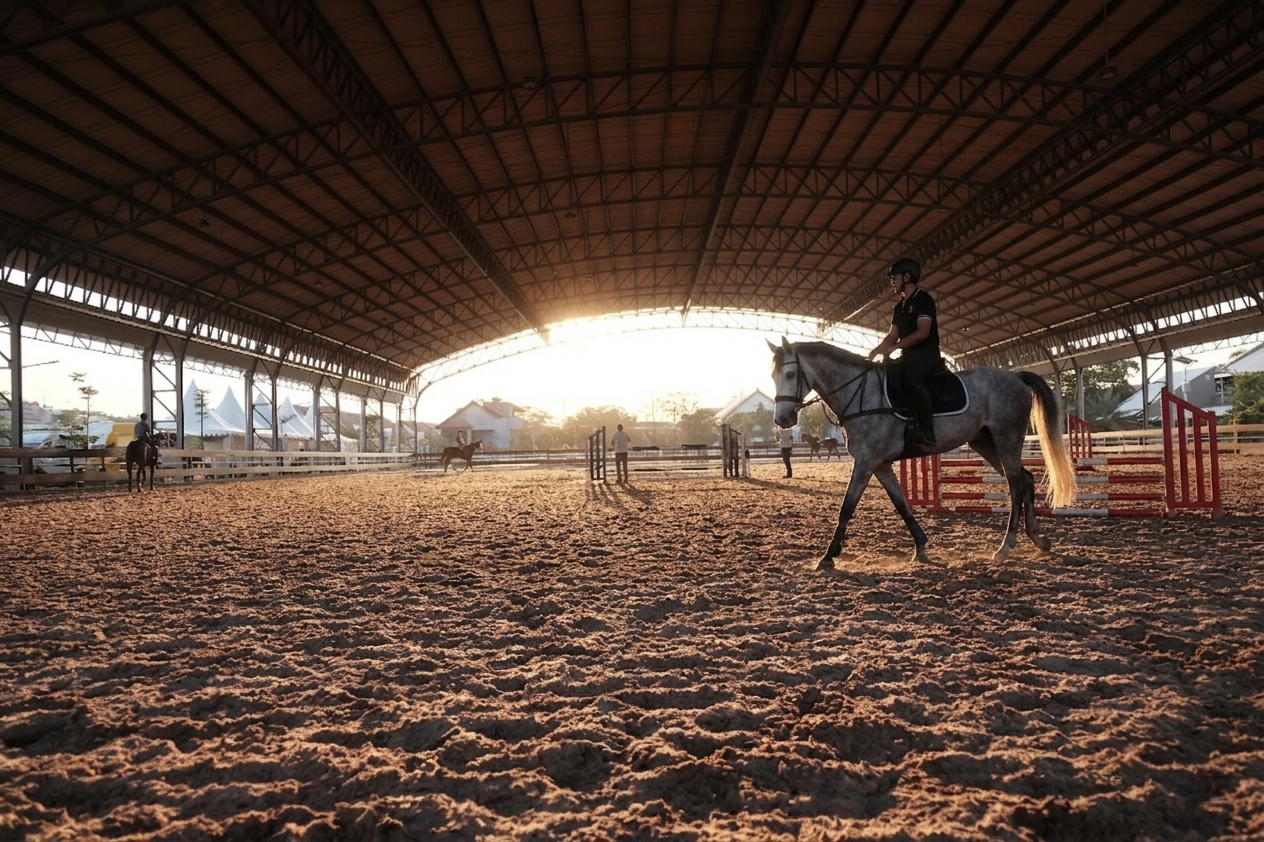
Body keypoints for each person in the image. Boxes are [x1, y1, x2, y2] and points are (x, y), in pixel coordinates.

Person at [867, 257, 944, 447]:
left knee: (911, 380)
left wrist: (896, 347)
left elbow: (923, 332)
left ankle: (927, 430)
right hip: (909, 355)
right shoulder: (898, 307)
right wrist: (877, 350)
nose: (892, 281)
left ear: (907, 277)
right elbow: (893, 335)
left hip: (927, 353)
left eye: (895, 277)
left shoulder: (923, 300)